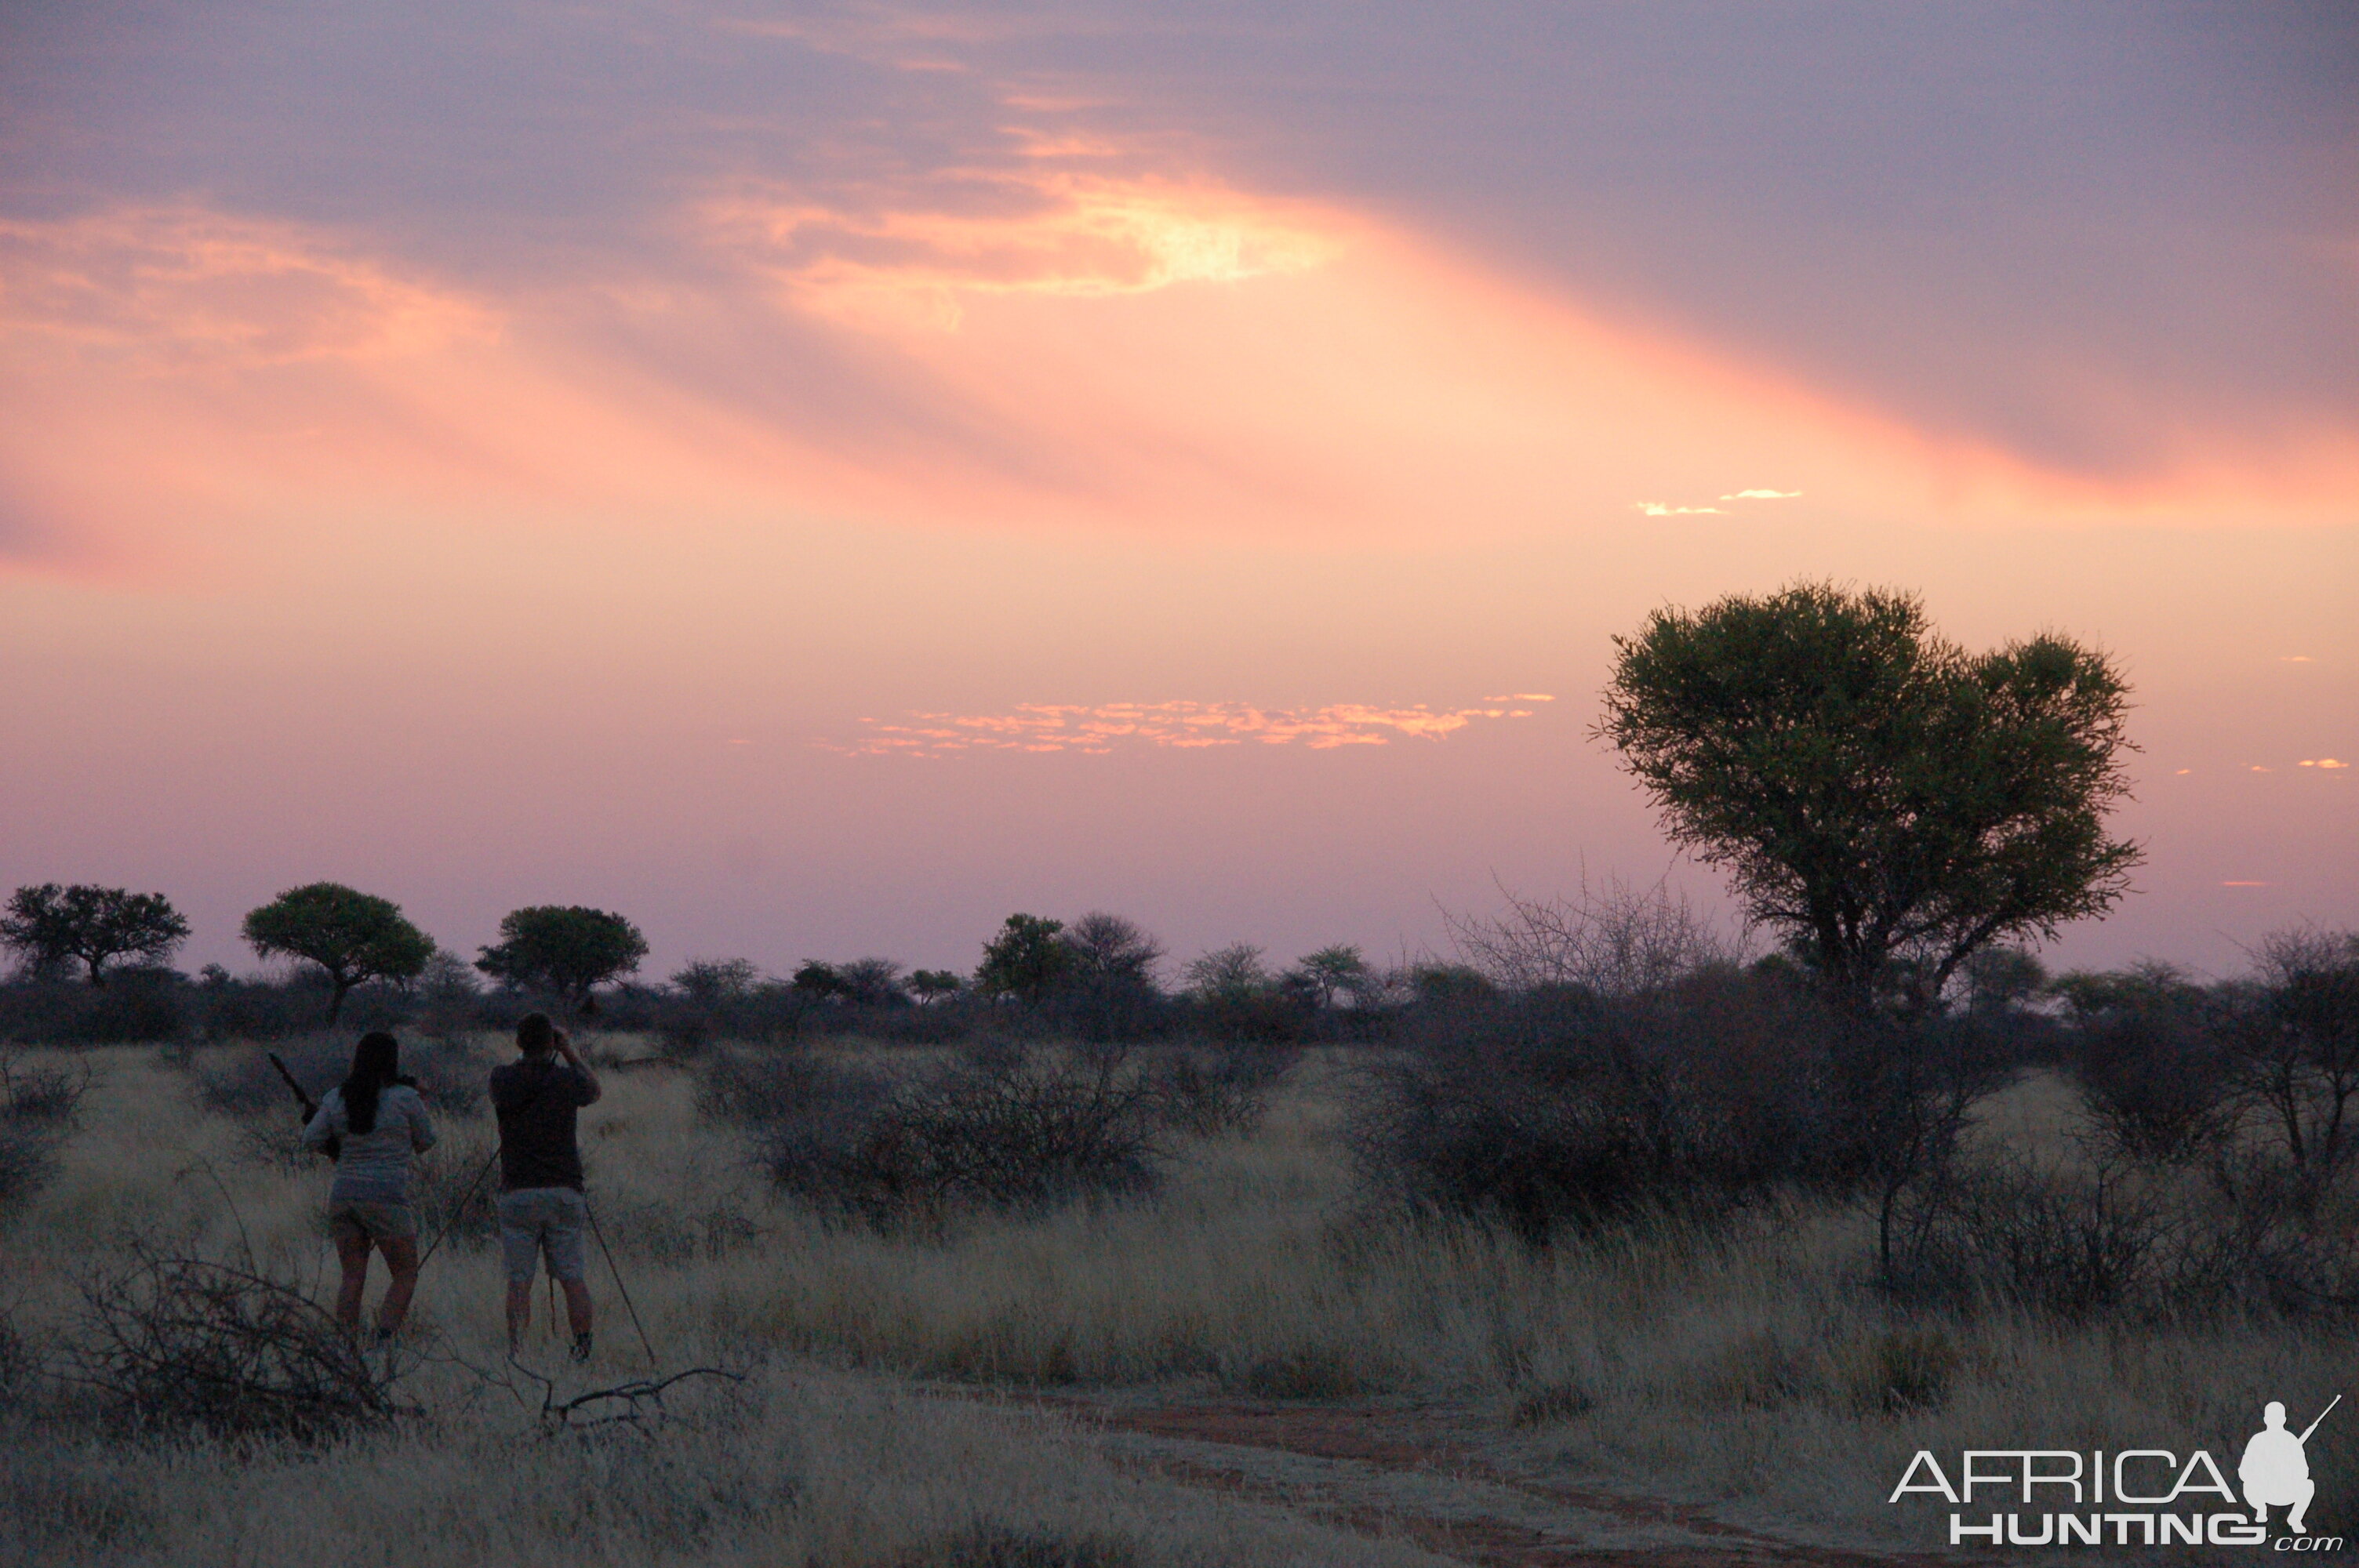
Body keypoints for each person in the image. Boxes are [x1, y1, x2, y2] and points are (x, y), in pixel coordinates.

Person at [302, 1031, 437, 1341]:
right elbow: (426, 1141)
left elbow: (310, 1138)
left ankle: (345, 1343)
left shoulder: (337, 1096)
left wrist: (336, 1150)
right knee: (405, 1274)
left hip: (344, 1194)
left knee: (352, 1276)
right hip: (386, 1197)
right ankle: (383, 1339)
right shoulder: (405, 1097)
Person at [490, 1012, 602, 1361]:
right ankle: (582, 1349)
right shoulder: (566, 1079)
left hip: (518, 1191)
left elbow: (508, 1087)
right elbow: (595, 1091)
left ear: (519, 1043)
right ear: (552, 1043)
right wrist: (568, 1051)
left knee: (520, 1280)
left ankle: (518, 1353)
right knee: (572, 1276)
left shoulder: (502, 1078)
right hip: (564, 1190)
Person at [2241, 1400, 2317, 1534]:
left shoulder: (2291, 1440)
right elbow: (2243, 1471)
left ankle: (2295, 1519)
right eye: (2271, 1417)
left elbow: (2304, 1472)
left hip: (2286, 1490)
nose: (2274, 1420)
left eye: (2277, 1417)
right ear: (2265, 1419)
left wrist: (2287, 1471)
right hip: (2261, 1491)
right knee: (2247, 1485)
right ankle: (2260, 1509)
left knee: (2308, 1485)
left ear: (2284, 1419)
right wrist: (2261, 1475)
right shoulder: (2257, 1440)